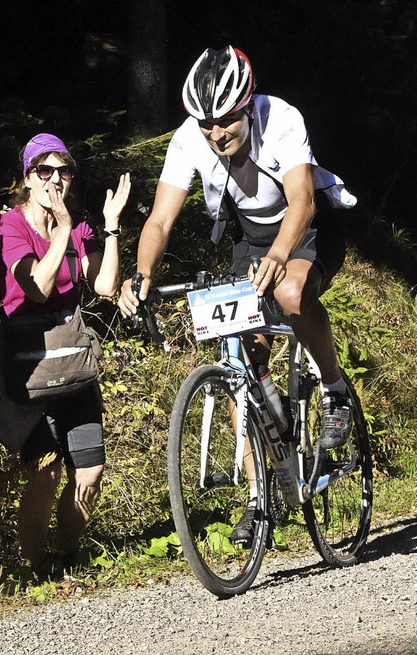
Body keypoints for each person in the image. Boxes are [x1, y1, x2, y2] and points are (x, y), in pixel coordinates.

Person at [117, 45, 357, 542]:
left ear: (247, 107)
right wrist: (140, 276)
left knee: (291, 293)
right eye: (206, 125)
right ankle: (259, 496)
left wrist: (280, 256)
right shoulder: (191, 138)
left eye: (225, 121)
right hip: (250, 239)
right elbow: (161, 219)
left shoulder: (282, 118)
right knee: (241, 361)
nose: (215, 134)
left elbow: (302, 200)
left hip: (308, 226)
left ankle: (333, 390)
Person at [0, 133, 130, 574]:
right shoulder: (12, 225)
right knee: (44, 470)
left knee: (90, 469)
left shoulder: (80, 226)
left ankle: (66, 557)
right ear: (27, 179)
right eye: (43, 171)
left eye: (63, 170)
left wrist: (108, 227)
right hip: (30, 362)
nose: (54, 180)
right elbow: (37, 286)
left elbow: (103, 286)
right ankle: (34, 565)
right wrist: (61, 230)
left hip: (73, 361)